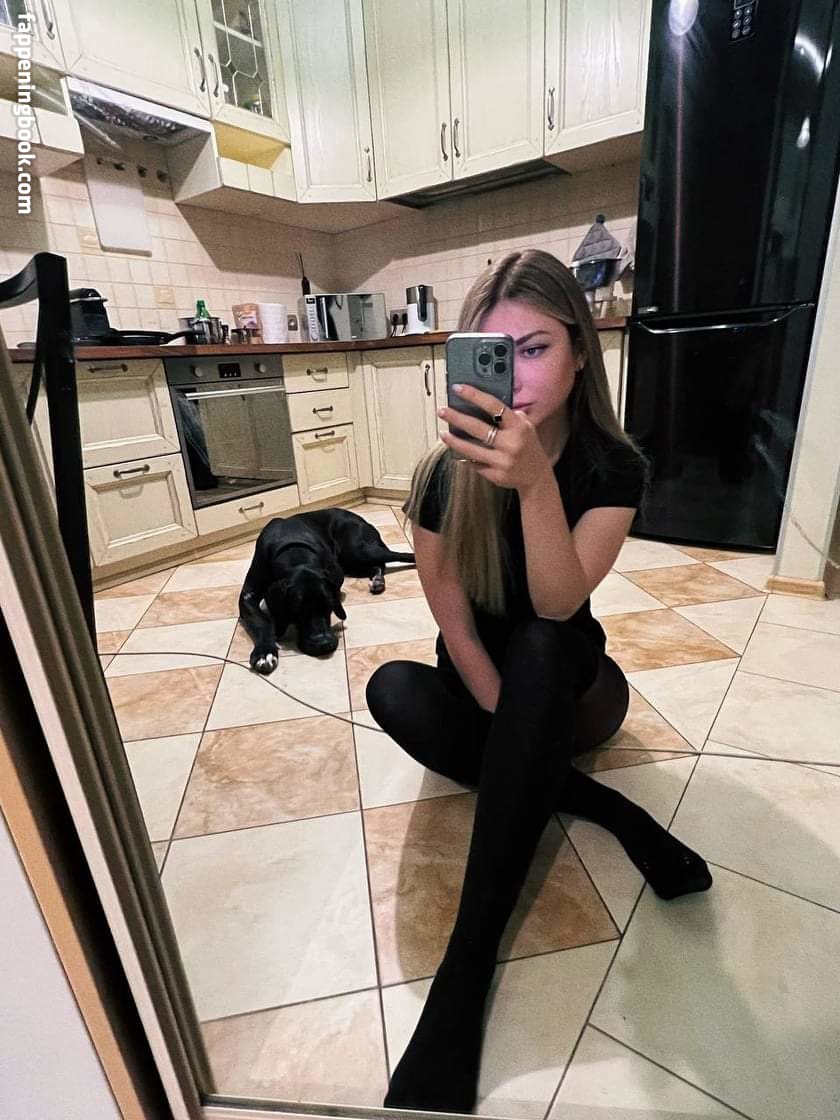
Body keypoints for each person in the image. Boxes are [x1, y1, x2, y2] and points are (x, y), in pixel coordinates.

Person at [365, 249, 713, 1114]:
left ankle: (464, 974)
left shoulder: (611, 466)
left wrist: (532, 486)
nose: (516, 375)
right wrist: (500, 720)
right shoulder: (443, 471)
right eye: (496, 352)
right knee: (392, 690)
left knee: (541, 645)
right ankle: (606, 807)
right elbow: (450, 613)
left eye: (535, 349)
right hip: (489, 688)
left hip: (571, 689)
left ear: (580, 352)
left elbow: (559, 605)